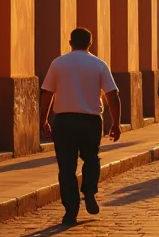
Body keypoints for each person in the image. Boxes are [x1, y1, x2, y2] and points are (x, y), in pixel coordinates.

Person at [40, 28, 121, 226]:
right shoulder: (99, 64)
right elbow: (112, 95)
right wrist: (116, 123)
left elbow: (47, 94)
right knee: (92, 159)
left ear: (70, 42)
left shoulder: (58, 63)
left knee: (66, 167)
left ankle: (70, 211)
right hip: (91, 121)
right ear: (90, 43)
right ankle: (89, 191)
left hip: (64, 121)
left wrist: (42, 119)